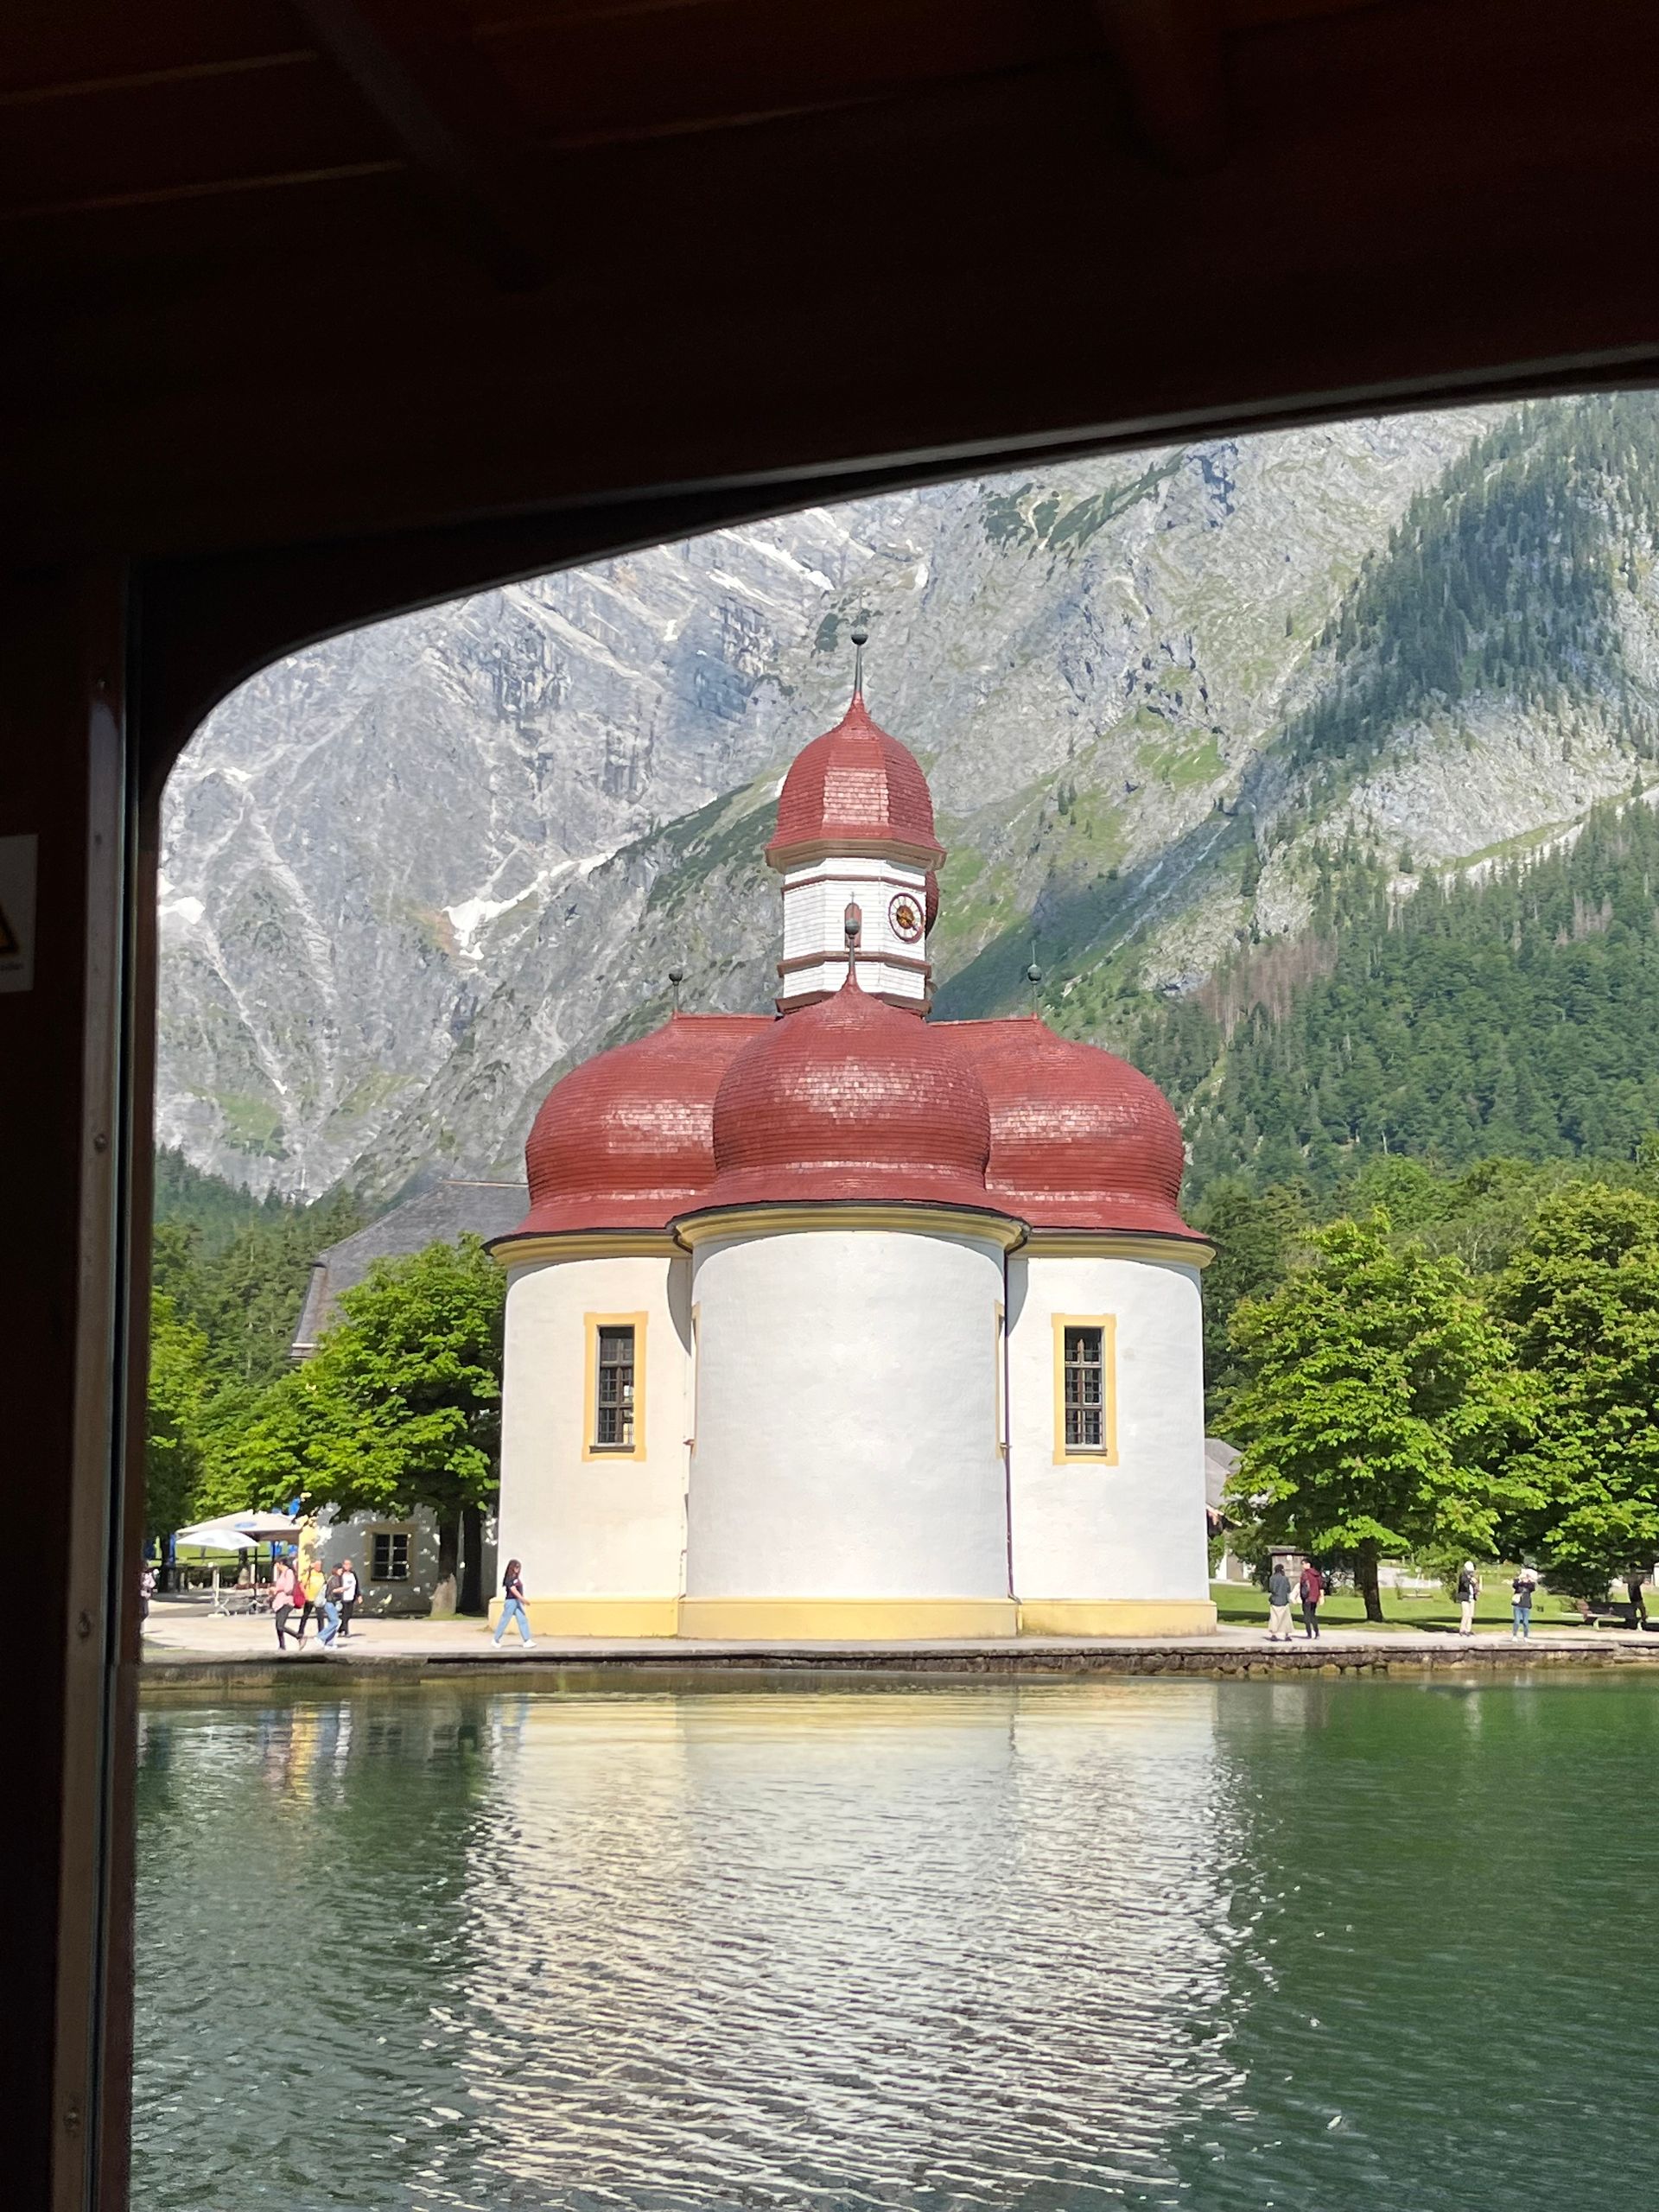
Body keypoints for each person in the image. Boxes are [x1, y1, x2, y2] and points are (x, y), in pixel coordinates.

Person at [493, 1559, 533, 1649]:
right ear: (512, 1568)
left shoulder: (516, 1579)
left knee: (523, 1620)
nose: (517, 1569)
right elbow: (513, 1590)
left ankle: (527, 1640)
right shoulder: (509, 1578)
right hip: (511, 1602)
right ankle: (496, 1639)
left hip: (517, 1602)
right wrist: (522, 1599)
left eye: (519, 1567)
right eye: (516, 1567)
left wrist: (520, 1600)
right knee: (505, 1620)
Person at [296, 1555, 326, 1646]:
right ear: (314, 1566)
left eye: (320, 1565)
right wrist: (305, 1594)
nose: (319, 1567)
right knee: (305, 1616)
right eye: (318, 1565)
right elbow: (302, 1585)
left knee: (320, 1617)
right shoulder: (309, 1574)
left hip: (319, 1599)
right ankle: (300, 1631)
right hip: (310, 1598)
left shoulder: (322, 1574)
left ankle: (321, 1633)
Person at [271, 1557, 300, 1651]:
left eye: (276, 1564)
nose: (276, 1567)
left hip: (286, 1602)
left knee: (280, 1625)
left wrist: (277, 1589)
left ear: (281, 1563)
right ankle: (282, 1646)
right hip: (279, 1602)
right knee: (278, 1626)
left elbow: (289, 1589)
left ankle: (299, 1636)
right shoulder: (282, 1574)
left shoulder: (289, 1573)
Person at [1267, 1560, 1294, 1643]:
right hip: (1284, 1601)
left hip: (1275, 1600)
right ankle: (1286, 1635)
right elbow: (1289, 1589)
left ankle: (1274, 1634)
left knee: (1274, 1618)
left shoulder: (1272, 1578)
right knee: (1286, 1619)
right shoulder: (1285, 1579)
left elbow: (1272, 1589)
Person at [318, 1563, 343, 1648]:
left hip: (333, 1603)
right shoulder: (334, 1578)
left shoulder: (336, 1578)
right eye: (340, 1570)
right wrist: (341, 1589)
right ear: (336, 1570)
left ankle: (329, 1643)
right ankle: (321, 1636)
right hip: (330, 1603)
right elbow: (333, 1591)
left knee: (332, 1623)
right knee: (335, 1622)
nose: (341, 1571)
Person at [1299, 1560, 1324, 1640]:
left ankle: (1309, 1634)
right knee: (1313, 1615)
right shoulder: (1317, 1574)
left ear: (1308, 1564)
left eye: (1303, 1564)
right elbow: (1321, 1586)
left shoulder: (1305, 1574)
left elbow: (1303, 1586)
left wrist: (1302, 1596)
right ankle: (1317, 1633)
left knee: (1307, 1616)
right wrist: (1321, 1596)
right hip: (1314, 1597)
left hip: (1307, 1598)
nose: (1302, 1566)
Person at [337, 1557, 359, 1640]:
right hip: (343, 1598)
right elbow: (337, 1585)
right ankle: (346, 1631)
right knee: (345, 1615)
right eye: (346, 1564)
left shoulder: (353, 1574)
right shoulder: (341, 1575)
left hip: (351, 1597)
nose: (347, 1566)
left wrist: (358, 1595)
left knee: (349, 1615)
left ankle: (340, 1629)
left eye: (349, 1564)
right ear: (343, 1565)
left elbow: (356, 1586)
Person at [1456, 1560, 1480, 1638]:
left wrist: (1476, 1587)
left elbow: (1475, 1586)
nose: (1471, 1573)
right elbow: (1464, 1583)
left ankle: (1468, 1630)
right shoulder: (1463, 1576)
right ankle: (1462, 1630)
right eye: (1469, 1571)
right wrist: (1470, 1580)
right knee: (1466, 1614)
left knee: (1471, 1615)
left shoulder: (1472, 1577)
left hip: (1471, 1597)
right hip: (1465, 1598)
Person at [1511, 1567, 1535, 1639]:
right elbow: (1514, 1585)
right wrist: (1519, 1579)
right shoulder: (1518, 1584)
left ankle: (1526, 1636)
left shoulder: (1530, 1585)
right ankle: (1515, 1636)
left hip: (1526, 1606)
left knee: (1525, 1622)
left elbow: (1532, 1588)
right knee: (1517, 1621)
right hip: (1517, 1606)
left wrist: (1529, 1580)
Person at [138, 1561, 156, 1626]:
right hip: (140, 1594)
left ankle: (139, 1623)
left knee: (145, 1613)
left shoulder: (148, 1575)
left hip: (145, 1594)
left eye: (146, 1566)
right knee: (141, 1611)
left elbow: (152, 1584)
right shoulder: (139, 1574)